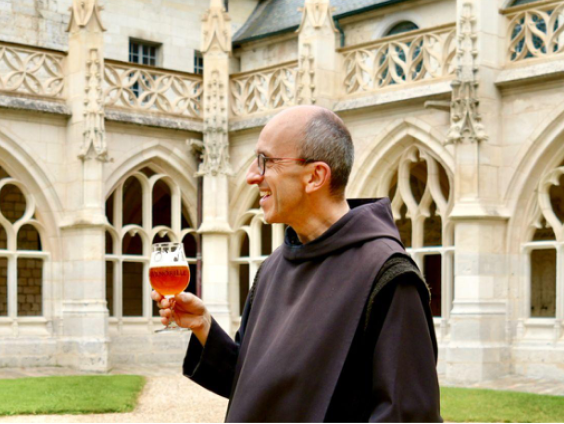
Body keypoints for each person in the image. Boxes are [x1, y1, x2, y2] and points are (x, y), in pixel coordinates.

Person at [155, 105, 442, 423]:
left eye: (265, 161)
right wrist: (204, 326)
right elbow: (254, 386)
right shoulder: (272, 268)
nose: (252, 175)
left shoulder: (389, 277)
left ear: (315, 176)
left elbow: (406, 415)